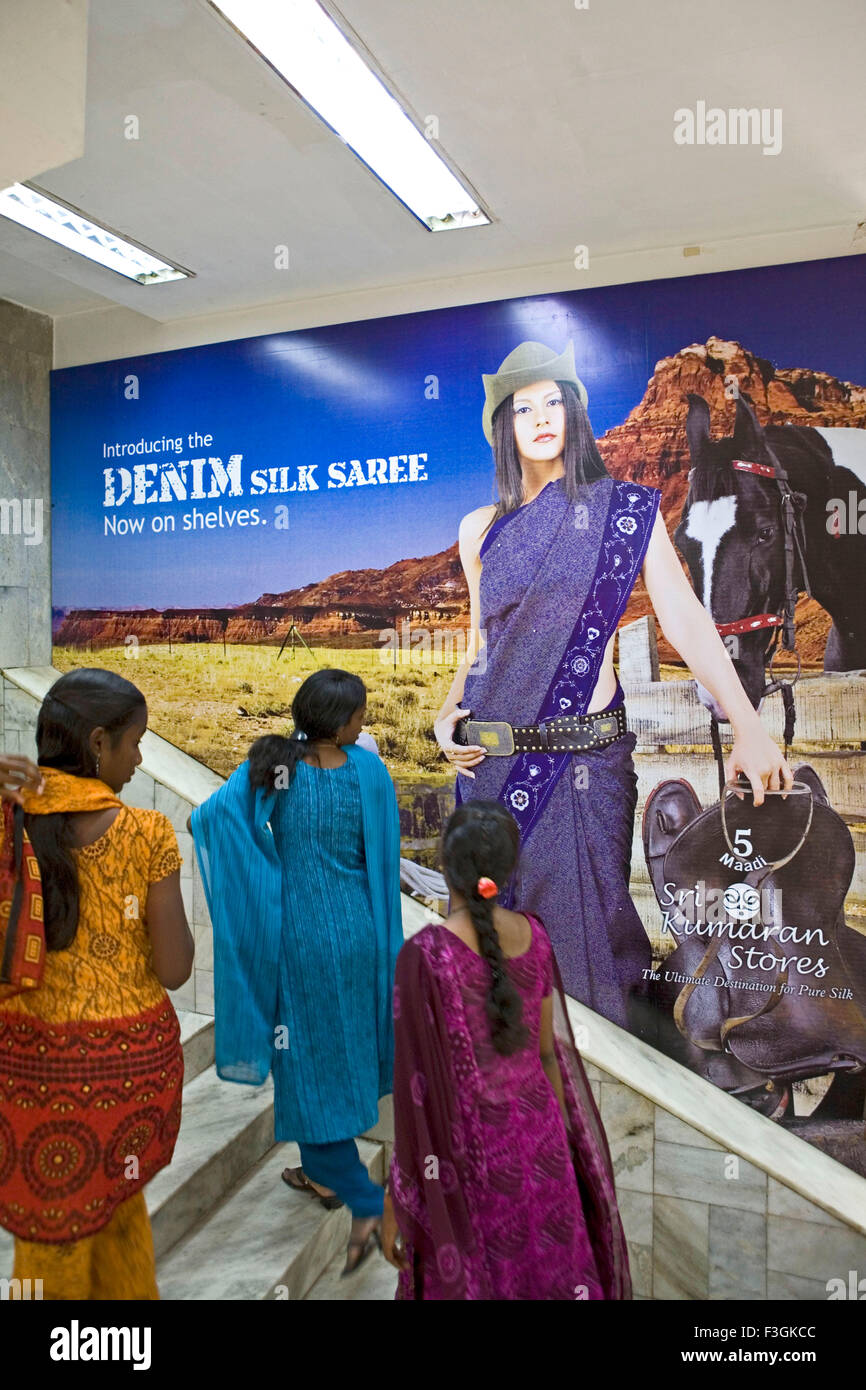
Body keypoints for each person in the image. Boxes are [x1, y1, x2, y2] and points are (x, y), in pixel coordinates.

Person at [433, 340, 793, 1037]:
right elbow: (482, 641)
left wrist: (749, 726)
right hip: (489, 769)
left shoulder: (626, 511)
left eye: (554, 402)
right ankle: (508, 1119)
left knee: (588, 954)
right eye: (523, 407)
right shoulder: (480, 529)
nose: (540, 417)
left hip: (580, 769)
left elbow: (685, 620)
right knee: (491, 957)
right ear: (503, 427)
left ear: (575, 414)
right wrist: (452, 706)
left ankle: (597, 1121)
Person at [190, 668, 403, 1275]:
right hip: (359, 932)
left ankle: (329, 1172)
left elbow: (209, 820)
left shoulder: (273, 766)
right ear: (339, 721)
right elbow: (381, 861)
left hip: (299, 936)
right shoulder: (368, 771)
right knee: (343, 1043)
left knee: (306, 1054)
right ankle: (329, 1170)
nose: (364, 722)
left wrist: (264, 872)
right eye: (359, 714)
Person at [382, 798, 630, 1300]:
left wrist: (396, 1204)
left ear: (445, 869)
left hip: (472, 1157)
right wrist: (558, 1146)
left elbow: (415, 1097)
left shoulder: (425, 956)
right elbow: (545, 1056)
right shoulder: (535, 936)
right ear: (506, 871)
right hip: (541, 1144)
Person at [0, 669, 193, 1299]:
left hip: (30, 1066)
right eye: (135, 743)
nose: (139, 759)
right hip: (131, 1071)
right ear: (99, 743)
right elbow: (174, 970)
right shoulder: (146, 833)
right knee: (116, 1208)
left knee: (48, 1227)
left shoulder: (10, 822)